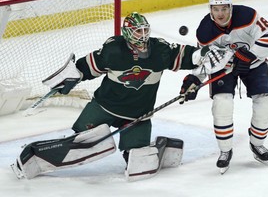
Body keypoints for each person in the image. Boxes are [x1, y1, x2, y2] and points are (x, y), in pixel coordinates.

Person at [12, 12, 233, 180]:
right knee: (80, 144)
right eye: (138, 32)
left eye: (145, 31)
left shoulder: (160, 50)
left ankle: (155, 148)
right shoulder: (113, 50)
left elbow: (190, 56)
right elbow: (85, 68)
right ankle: (37, 159)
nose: (144, 36)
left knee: (140, 166)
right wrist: (71, 77)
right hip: (104, 108)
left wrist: (206, 54)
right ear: (127, 32)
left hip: (138, 115)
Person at [184, 0, 268, 173]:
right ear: (210, 9)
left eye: (224, 9)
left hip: (254, 63)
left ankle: (257, 144)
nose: (220, 14)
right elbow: (206, 60)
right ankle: (225, 151)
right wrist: (195, 79)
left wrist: (247, 57)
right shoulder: (204, 31)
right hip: (224, 68)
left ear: (231, 7)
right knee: (222, 104)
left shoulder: (248, 15)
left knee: (265, 103)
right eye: (216, 9)